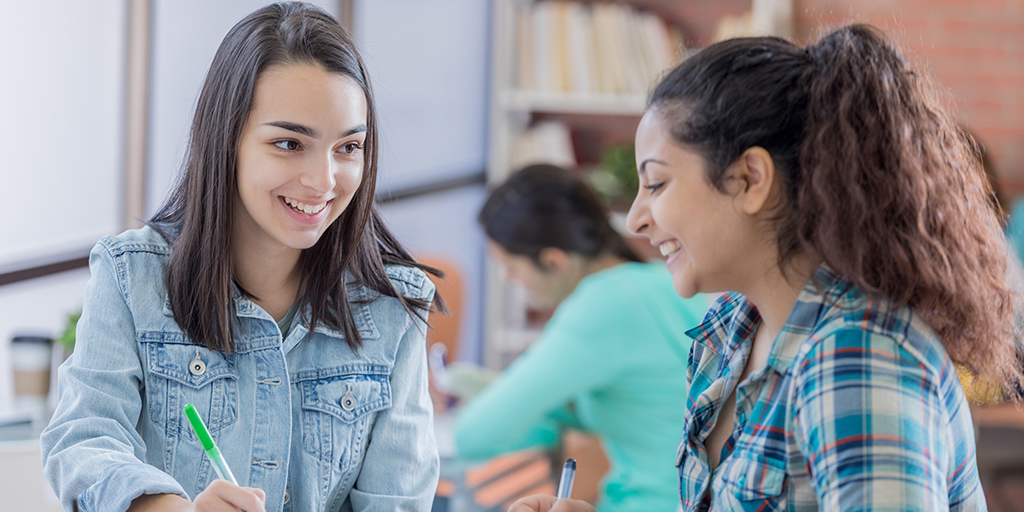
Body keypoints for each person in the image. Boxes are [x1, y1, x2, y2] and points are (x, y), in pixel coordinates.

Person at [512, 24, 1021, 512]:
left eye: (659, 184)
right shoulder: (731, 328)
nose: (636, 218)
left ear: (751, 178)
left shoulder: (858, 357)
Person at [41, 3, 441, 511]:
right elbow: (83, 438)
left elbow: (396, 501)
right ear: (226, 139)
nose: (323, 181)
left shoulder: (395, 307)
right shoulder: (131, 277)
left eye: (348, 147)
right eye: (289, 143)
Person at [455, 164, 710, 512]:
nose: (508, 279)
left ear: (554, 262)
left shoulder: (603, 304)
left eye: (511, 267)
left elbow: (472, 437)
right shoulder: (660, 280)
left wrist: (493, 395)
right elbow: (645, 409)